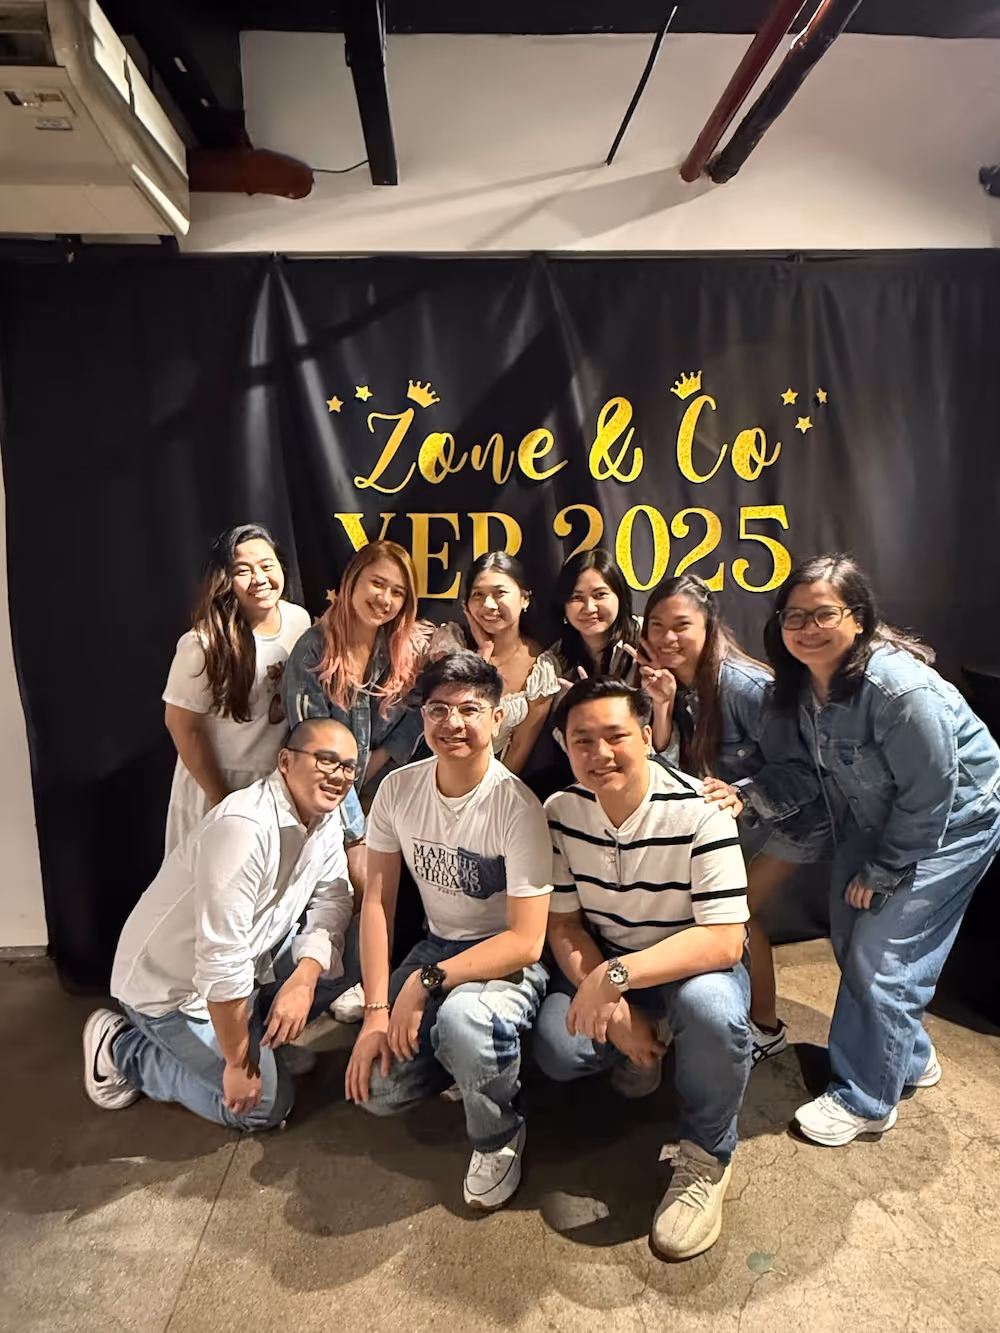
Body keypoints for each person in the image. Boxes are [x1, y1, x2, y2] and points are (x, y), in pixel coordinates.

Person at [751, 554, 1000, 1147]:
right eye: (794, 616)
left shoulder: (899, 690)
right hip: (874, 818)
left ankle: (867, 1097)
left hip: (949, 828)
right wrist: (742, 795)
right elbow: (805, 774)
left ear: (858, 619)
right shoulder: (803, 686)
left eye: (824, 614)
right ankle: (907, 1057)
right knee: (849, 940)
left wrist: (889, 868)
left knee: (883, 960)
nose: (807, 628)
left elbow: (932, 793)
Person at [533, 677, 751, 1261]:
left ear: (648, 735)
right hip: (611, 956)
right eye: (583, 741)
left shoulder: (701, 813)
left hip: (689, 964)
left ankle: (709, 1155)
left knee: (712, 1011)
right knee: (560, 1047)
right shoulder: (561, 812)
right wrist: (607, 990)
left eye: (616, 736)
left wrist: (616, 979)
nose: (600, 754)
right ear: (564, 745)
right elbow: (565, 926)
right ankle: (645, 1047)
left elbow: (725, 940)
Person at [344, 651, 552, 1211]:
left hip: (504, 956)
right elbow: (379, 904)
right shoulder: (398, 791)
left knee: (463, 1020)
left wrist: (424, 983)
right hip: (436, 945)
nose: (452, 724)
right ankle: (479, 1058)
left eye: (468, 709)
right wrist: (376, 1012)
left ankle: (499, 1133)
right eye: (438, 710)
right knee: (378, 1091)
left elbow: (527, 942)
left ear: (497, 717)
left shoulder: (518, 807)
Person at [83, 719, 362, 1130]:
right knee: (266, 1106)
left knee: (357, 946)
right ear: (285, 761)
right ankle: (123, 1047)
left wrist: (305, 977)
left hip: (246, 969)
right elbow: (220, 961)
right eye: (325, 760)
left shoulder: (325, 821)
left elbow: (334, 897)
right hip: (173, 994)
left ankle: (254, 1039)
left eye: (348, 767)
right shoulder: (244, 828)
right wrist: (236, 1063)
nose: (338, 775)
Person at [640, 574, 826, 1064]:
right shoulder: (677, 681)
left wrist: (744, 794)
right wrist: (660, 706)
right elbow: (675, 764)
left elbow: (804, 771)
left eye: (681, 625)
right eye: (656, 625)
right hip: (748, 821)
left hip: (794, 820)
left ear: (709, 625)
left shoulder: (744, 685)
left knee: (737, 914)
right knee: (726, 912)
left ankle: (764, 1027)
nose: (666, 637)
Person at [282, 541, 437, 1018]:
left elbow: (415, 718)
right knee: (364, 880)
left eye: (397, 592)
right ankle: (350, 989)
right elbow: (317, 758)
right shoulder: (313, 650)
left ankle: (394, 980)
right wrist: (355, 833)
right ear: (352, 581)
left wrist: (378, 766)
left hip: (380, 789)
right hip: (326, 799)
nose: (385, 599)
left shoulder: (399, 647)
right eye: (377, 584)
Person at [162, 523, 311, 855]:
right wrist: (221, 797)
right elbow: (182, 725)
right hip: (216, 785)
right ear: (225, 580)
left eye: (266, 566)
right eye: (243, 570)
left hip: (275, 787)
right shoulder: (202, 644)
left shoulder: (300, 621)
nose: (259, 578)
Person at [462, 551, 560, 775]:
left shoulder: (541, 669)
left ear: (524, 599)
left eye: (500, 593)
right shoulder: (451, 645)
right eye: (477, 594)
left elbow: (518, 750)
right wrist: (483, 655)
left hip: (501, 784)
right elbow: (455, 721)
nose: (488, 604)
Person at [551, 548, 642, 683]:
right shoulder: (556, 658)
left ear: (620, 596)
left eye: (600, 595)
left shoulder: (647, 637)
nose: (589, 608)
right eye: (576, 597)